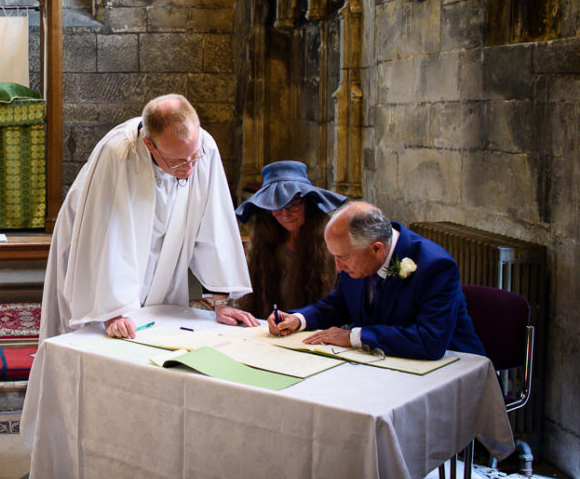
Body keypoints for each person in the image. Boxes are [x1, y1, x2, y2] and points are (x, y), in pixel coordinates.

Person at [39, 94, 255, 340]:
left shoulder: (203, 147)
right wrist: (112, 312)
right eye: (177, 162)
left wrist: (220, 302)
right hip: (99, 252)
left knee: (160, 330)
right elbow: (105, 235)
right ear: (149, 144)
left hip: (164, 253)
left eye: (192, 158)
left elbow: (214, 222)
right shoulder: (119, 154)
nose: (188, 168)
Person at [268, 200, 485, 360]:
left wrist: (354, 337)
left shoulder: (435, 267)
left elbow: (430, 340)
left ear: (376, 249)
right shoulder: (359, 256)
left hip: (452, 370)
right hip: (387, 362)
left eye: (342, 257)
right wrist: (299, 319)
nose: (338, 267)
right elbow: (342, 302)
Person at [234, 160, 345, 320]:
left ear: (307, 202)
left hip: (315, 325)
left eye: (293, 205)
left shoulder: (329, 240)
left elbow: (337, 301)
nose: (285, 215)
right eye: (277, 208)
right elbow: (249, 295)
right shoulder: (265, 239)